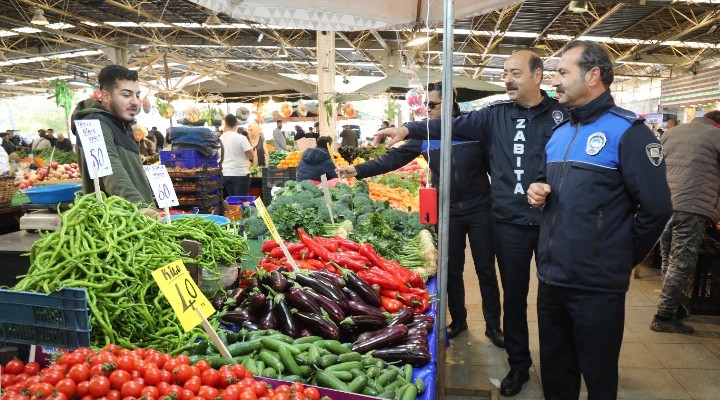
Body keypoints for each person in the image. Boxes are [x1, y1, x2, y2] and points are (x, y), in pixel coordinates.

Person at [373, 50, 568, 397]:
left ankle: (559, 370)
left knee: (554, 299)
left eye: (516, 73)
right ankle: (519, 364)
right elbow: (448, 124)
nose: (508, 79)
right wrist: (406, 127)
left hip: (554, 221)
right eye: (506, 72)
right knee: (515, 296)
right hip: (508, 222)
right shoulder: (493, 116)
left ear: (538, 76)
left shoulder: (563, 115)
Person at [526, 40, 672, 400]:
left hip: (597, 286)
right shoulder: (559, 134)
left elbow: (657, 207)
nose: (555, 81)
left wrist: (619, 257)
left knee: (599, 376)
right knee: (556, 375)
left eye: (563, 72)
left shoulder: (628, 132)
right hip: (552, 278)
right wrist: (536, 192)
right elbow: (550, 190)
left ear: (593, 76)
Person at [339, 80, 502, 346]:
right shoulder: (424, 134)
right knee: (452, 269)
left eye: (433, 104)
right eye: (426, 104)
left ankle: (493, 326)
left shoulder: (473, 128)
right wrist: (358, 170)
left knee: (486, 269)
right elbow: (392, 159)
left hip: (480, 208)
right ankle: (458, 320)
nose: (428, 109)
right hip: (447, 211)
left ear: (449, 100)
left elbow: (495, 163)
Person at [650, 111, 720, 334]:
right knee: (681, 262)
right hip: (692, 206)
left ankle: (672, 306)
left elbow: (655, 164)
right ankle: (663, 316)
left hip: (664, 205)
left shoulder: (672, 133)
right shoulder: (716, 136)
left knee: (669, 260)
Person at [71, 64, 154, 205]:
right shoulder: (93, 122)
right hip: (118, 221)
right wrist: (141, 207)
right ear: (106, 96)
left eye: (137, 95)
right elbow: (109, 171)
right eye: (126, 95)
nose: (135, 101)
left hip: (139, 219)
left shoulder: (123, 125)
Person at [220, 114, 254, 197]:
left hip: (226, 173)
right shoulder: (241, 138)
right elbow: (251, 155)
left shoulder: (220, 139)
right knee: (240, 201)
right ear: (237, 124)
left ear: (226, 125)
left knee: (231, 201)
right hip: (240, 174)